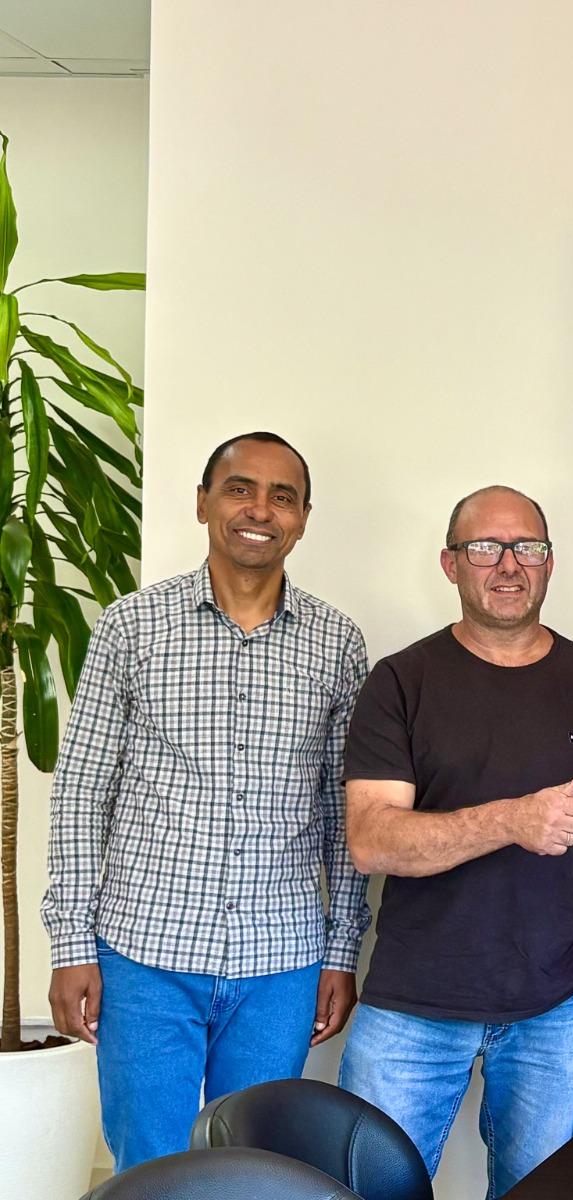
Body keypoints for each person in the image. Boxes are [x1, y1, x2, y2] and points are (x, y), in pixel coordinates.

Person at [42, 432, 370, 1172]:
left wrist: (341, 951)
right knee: (150, 1166)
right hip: (144, 951)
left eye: (283, 496)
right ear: (202, 503)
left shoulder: (338, 643)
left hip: (281, 961)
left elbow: (343, 810)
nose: (260, 510)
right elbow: (83, 789)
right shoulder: (132, 626)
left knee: (254, 1166)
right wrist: (71, 945)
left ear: (303, 518)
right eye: (239, 489)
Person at [337, 485, 573, 1200]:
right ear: (451, 564)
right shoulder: (401, 682)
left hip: (556, 1006)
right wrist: (510, 821)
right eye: (485, 548)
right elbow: (372, 841)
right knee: (371, 1192)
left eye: (527, 548)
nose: (509, 565)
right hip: (414, 1004)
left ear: (549, 562)